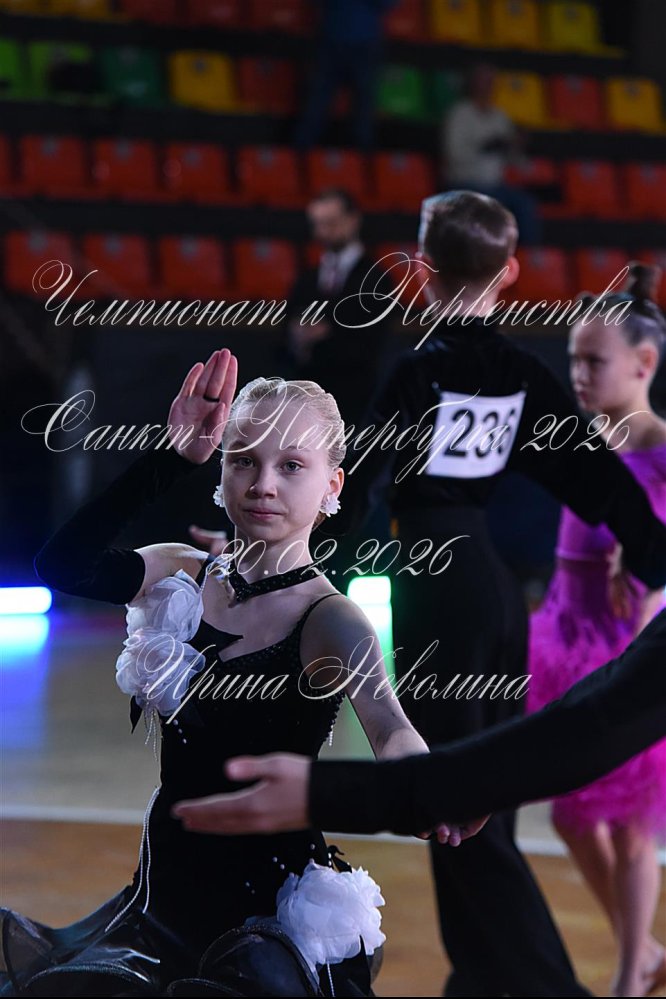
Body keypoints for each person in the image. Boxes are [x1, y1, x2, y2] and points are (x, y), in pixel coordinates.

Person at [185, 193, 666, 998]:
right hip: (499, 596)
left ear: (421, 268)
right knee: (483, 800)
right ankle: (482, 973)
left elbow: (354, 489)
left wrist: (262, 549)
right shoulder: (521, 373)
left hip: (439, 590)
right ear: (509, 272)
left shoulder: (418, 372)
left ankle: (541, 984)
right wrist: (651, 557)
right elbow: (595, 478)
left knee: (455, 801)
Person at [0, 348, 440, 998]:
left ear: (333, 485)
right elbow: (62, 564)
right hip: (163, 896)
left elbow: (391, 727)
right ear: (221, 467)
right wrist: (169, 457)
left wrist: (438, 788)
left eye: (291, 466)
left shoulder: (330, 618)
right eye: (244, 460)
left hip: (265, 919)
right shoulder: (182, 572)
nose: (263, 483)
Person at [527, 263, 666, 998]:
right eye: (573, 359)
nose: (577, 374)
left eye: (593, 361)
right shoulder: (581, 441)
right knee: (574, 814)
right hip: (567, 635)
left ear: (643, 363)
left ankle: (627, 973)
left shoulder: (663, 446)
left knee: (633, 824)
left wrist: (647, 554)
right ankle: (643, 949)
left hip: (631, 643)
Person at [282, 188, 393, 433]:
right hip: (307, 399)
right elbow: (285, 334)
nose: (323, 232)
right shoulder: (307, 278)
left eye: (331, 223)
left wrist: (326, 333)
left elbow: (370, 343)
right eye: (318, 224)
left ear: (353, 220)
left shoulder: (376, 279)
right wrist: (297, 339)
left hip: (355, 401)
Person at [442, 63, 542, 245]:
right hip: (465, 183)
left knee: (525, 204)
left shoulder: (499, 116)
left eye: (490, 81)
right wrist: (485, 147)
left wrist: (516, 146)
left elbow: (515, 161)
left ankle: (528, 256)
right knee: (491, 205)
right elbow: (453, 155)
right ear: (472, 83)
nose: (487, 86)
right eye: (483, 81)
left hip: (495, 185)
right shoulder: (459, 114)